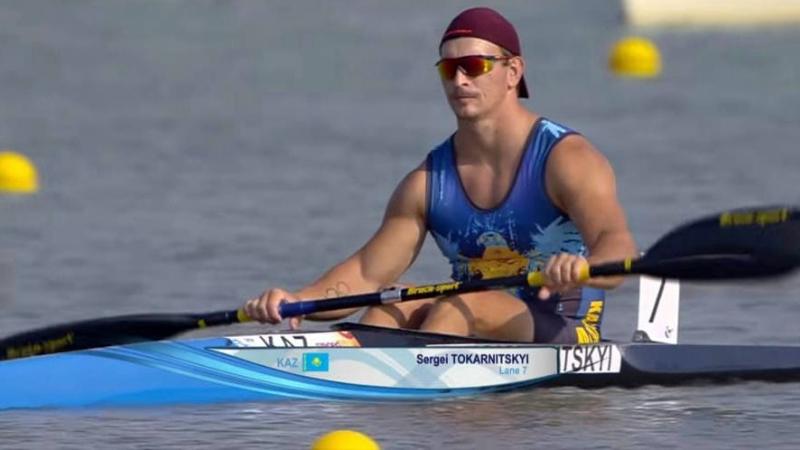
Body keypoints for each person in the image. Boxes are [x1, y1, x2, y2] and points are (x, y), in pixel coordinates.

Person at [244, 7, 637, 343]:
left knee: (457, 306)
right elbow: (366, 273)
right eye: (449, 69)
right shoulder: (427, 182)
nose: (460, 80)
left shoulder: (566, 159)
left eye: (475, 66)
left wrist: (584, 267)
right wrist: (297, 300)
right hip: (468, 320)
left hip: (563, 328)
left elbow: (617, 243)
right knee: (390, 306)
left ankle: (430, 405)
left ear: (513, 71)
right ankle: (366, 398)